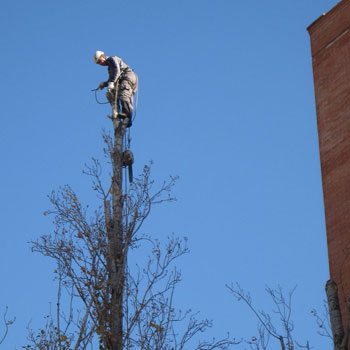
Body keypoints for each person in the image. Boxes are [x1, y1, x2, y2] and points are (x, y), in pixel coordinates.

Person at [93, 50, 138, 127]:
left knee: (124, 94)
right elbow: (113, 78)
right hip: (123, 79)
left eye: (100, 61)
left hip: (127, 76)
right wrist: (104, 84)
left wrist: (111, 83)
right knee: (116, 93)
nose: (101, 64)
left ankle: (127, 115)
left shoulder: (112, 59)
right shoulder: (110, 68)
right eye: (98, 63)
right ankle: (123, 117)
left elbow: (116, 71)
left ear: (103, 56)